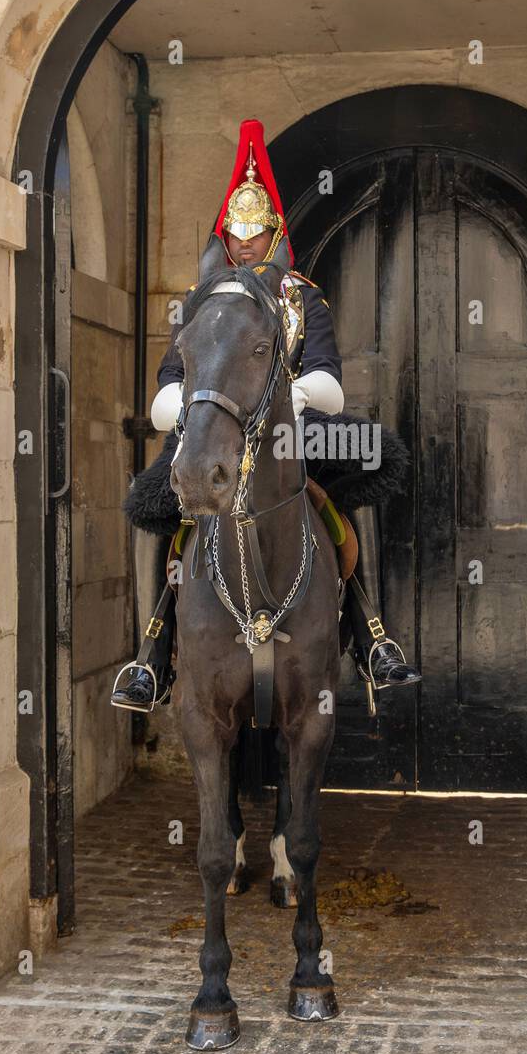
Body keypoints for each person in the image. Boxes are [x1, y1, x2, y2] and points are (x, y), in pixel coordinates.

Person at [111, 119, 421, 714]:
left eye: (257, 233)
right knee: (162, 499)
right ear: (224, 236)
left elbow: (329, 380)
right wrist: (191, 408)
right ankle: (153, 650)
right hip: (215, 430)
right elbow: (167, 386)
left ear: (276, 232)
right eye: (237, 232)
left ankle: (374, 634)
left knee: (360, 473)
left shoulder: (301, 297)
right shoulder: (202, 302)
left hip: (288, 431)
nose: (247, 243)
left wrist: (297, 396)